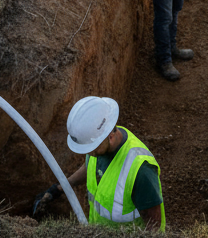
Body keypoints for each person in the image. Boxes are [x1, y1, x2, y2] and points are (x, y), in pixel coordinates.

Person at [33, 96, 165, 230]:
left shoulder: (140, 170)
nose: (89, 153)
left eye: (91, 148)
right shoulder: (100, 142)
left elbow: (154, 226)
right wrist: (61, 187)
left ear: (111, 137)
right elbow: (90, 166)